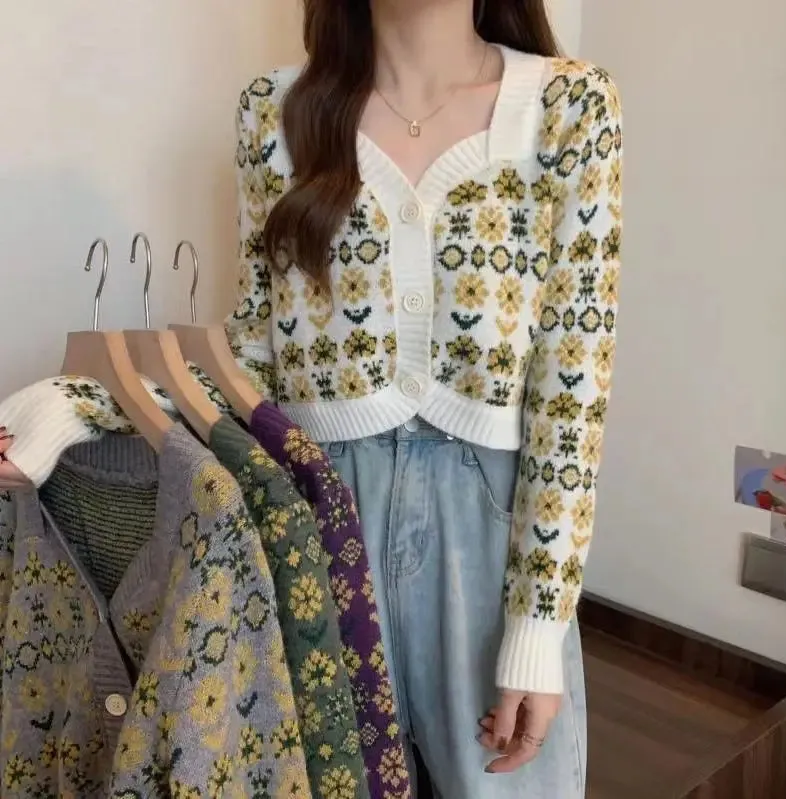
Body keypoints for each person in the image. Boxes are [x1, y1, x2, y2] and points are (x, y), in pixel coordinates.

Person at [227, 0, 623, 796]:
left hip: (490, 534)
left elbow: (572, 385)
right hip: (318, 521)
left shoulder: (568, 107)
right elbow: (248, 356)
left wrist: (536, 628)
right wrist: (83, 410)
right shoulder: (274, 110)